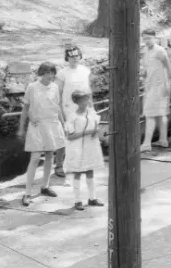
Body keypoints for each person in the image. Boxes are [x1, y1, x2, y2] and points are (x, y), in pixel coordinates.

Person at [17, 62, 66, 207]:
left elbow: (57, 107)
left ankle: (44, 186)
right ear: (41, 74)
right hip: (37, 126)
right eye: (47, 73)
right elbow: (25, 109)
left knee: (50, 155)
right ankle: (27, 193)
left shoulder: (55, 87)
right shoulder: (32, 87)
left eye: (52, 73)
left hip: (53, 125)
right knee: (35, 158)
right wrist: (21, 128)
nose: (50, 76)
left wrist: (64, 124)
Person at [54, 45, 92, 179]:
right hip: (67, 109)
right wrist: (61, 115)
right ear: (67, 58)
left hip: (82, 109)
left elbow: (88, 91)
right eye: (71, 56)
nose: (74, 58)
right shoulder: (62, 74)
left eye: (76, 55)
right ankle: (59, 165)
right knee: (65, 138)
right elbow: (57, 95)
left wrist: (92, 110)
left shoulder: (85, 71)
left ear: (80, 56)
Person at [64, 90, 105, 211]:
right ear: (77, 102)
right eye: (83, 100)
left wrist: (96, 131)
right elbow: (70, 136)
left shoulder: (91, 112)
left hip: (90, 146)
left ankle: (92, 198)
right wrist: (86, 132)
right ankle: (77, 200)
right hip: (77, 148)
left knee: (90, 171)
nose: (86, 102)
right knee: (77, 172)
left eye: (87, 99)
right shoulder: (73, 116)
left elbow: (96, 124)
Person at [141, 29, 171, 152]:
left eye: (149, 38)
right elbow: (146, 68)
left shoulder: (160, 50)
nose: (147, 41)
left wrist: (168, 84)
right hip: (150, 85)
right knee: (160, 113)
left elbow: (169, 66)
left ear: (154, 38)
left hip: (160, 86)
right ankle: (163, 140)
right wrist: (144, 74)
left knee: (150, 113)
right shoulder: (145, 51)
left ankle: (146, 143)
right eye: (144, 38)